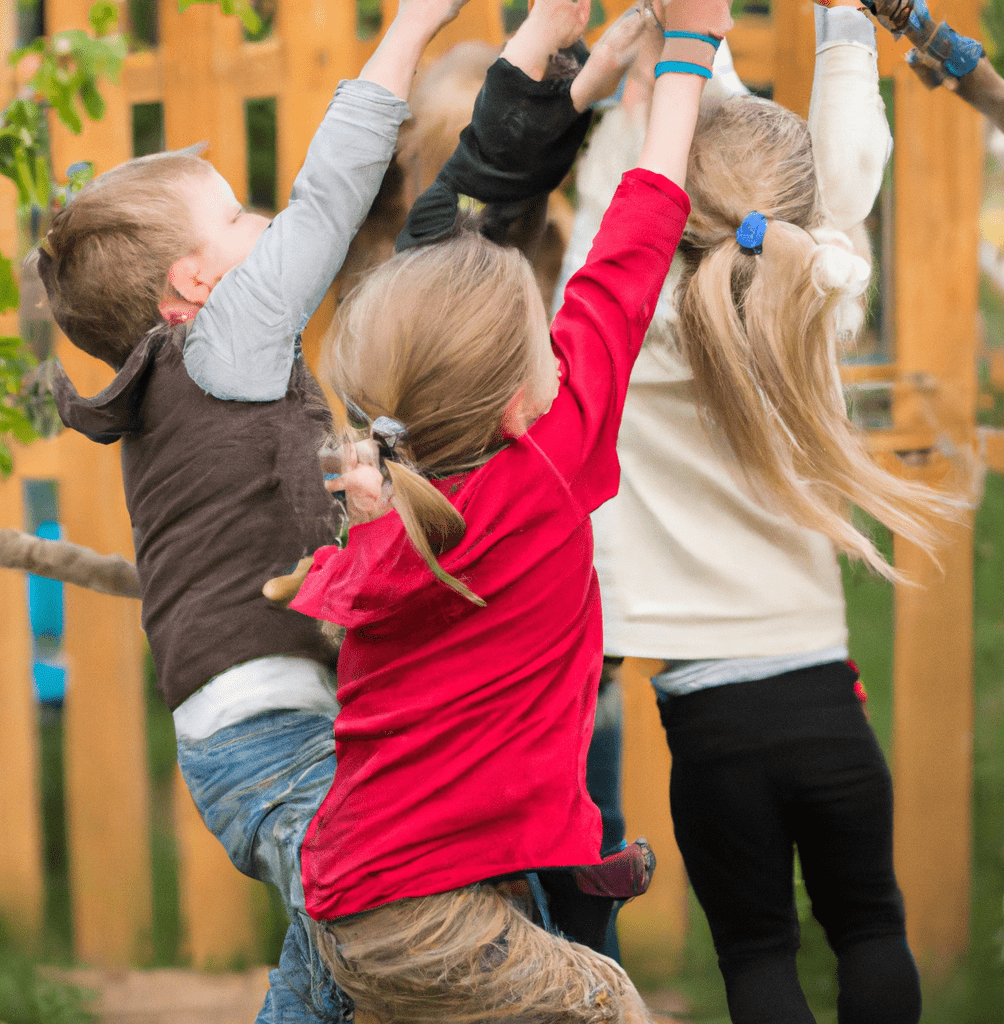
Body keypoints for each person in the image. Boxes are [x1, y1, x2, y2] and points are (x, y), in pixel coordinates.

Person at [281, 1, 735, 1020]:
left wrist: (580, 62)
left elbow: (460, 236)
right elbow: (628, 253)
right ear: (518, 400)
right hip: (428, 912)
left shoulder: (389, 507)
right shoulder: (543, 473)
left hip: (358, 893)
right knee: (609, 1001)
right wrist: (692, 55)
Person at [37, 1, 475, 1020]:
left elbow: (277, 500)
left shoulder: (196, 385)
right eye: (237, 215)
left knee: (347, 939)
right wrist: (408, 29)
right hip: (266, 735)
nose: (264, 220)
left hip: (260, 728)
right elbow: (329, 198)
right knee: (372, 907)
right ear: (196, 281)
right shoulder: (216, 346)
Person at [554, 3, 959, 1022]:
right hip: (829, 708)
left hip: (710, 728)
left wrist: (674, 46)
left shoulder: (621, 323)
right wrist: (842, 32)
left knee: (755, 959)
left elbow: (631, 193)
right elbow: (843, 173)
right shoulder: (820, 289)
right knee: (870, 928)